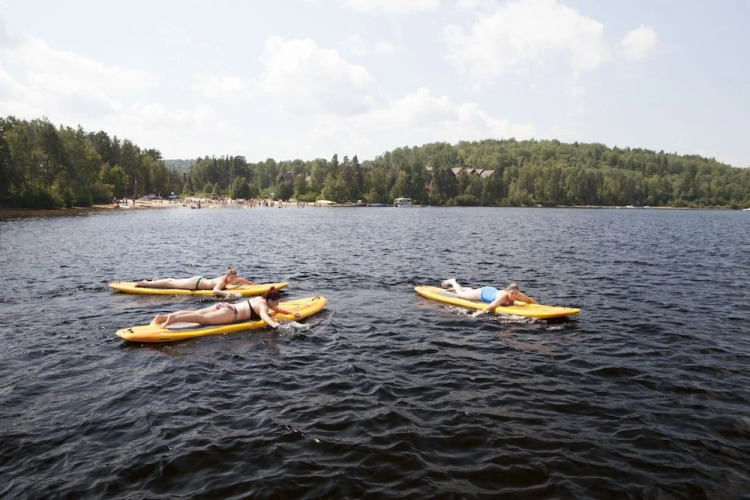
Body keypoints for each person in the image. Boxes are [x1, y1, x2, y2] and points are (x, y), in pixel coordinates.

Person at [150, 287, 301, 329]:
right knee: (202, 319)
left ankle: (163, 317)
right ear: (270, 300)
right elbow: (264, 316)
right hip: (230, 314)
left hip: (224, 306)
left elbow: (276, 310)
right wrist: (274, 324)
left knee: (196, 313)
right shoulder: (263, 306)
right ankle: (173, 319)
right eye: (277, 302)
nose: (277, 306)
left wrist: (291, 312)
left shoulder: (259, 299)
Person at [135, 266, 255, 298]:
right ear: (228, 276)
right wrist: (228, 294)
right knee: (170, 283)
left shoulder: (228, 278)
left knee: (172, 281)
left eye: (234, 278)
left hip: (198, 280)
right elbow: (215, 291)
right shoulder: (223, 281)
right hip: (195, 284)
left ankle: (155, 282)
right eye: (232, 278)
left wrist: (252, 284)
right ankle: (146, 284)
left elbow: (240, 280)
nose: (234, 280)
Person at [441, 278, 537, 317]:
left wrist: (538, 306)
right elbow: (491, 306)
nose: (514, 295)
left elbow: (529, 300)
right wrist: (478, 313)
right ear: (507, 291)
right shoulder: (503, 297)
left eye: (516, 293)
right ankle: (453, 282)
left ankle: (467, 289)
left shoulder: (518, 295)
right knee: (460, 295)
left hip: (491, 291)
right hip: (482, 293)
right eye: (512, 293)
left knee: (468, 293)